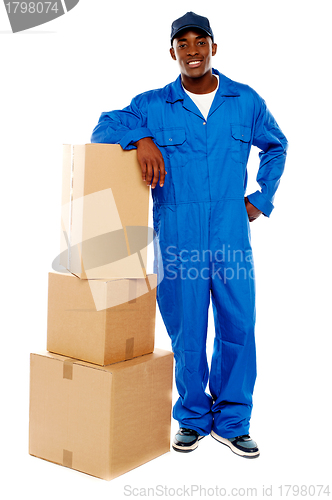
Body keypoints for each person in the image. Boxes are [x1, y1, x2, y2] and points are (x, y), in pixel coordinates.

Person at [91, 11, 288, 459]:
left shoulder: (244, 100)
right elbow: (104, 126)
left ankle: (234, 420)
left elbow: (276, 145)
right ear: (173, 52)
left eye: (201, 42)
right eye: (184, 44)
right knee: (187, 330)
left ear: (214, 48)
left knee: (239, 324)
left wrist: (261, 199)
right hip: (178, 235)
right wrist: (142, 139)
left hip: (231, 232)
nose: (193, 51)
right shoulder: (153, 104)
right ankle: (194, 418)